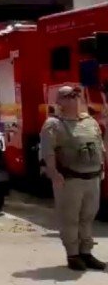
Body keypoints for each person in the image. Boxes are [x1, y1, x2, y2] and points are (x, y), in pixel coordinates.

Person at [40, 85, 106, 271]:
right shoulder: (54, 125)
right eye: (68, 96)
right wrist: (53, 173)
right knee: (70, 218)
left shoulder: (89, 122)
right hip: (70, 179)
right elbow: (48, 152)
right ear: (59, 101)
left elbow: (99, 145)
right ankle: (73, 254)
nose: (74, 99)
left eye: (76, 96)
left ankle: (86, 252)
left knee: (88, 216)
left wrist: (102, 168)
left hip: (92, 178)